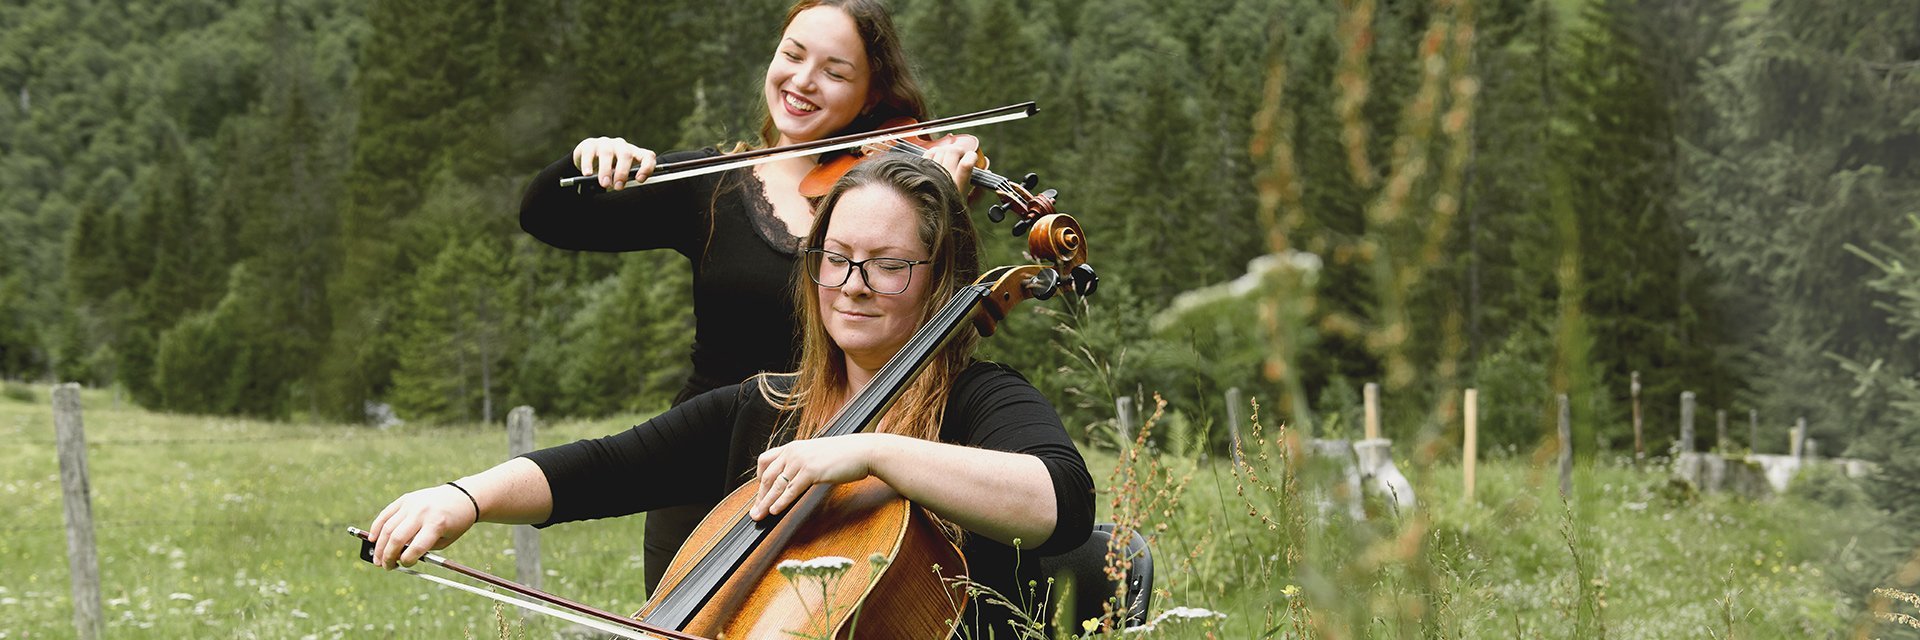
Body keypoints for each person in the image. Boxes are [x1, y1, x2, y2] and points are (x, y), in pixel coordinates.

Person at [368, 156, 1093, 636]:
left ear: (939, 279)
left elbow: (1061, 505)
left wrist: (872, 452)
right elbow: (606, 467)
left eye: (888, 265)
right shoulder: (767, 407)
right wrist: (463, 498)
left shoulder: (978, 400)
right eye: (836, 258)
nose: (852, 285)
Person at [516, 0, 979, 592]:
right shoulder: (713, 185)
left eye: (835, 71)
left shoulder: (898, 200)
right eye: (793, 55)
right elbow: (547, 216)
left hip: (846, 479)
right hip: (703, 472)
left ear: (872, 97)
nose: (803, 81)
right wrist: (589, 157)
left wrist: (940, 205)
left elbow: (942, 320)